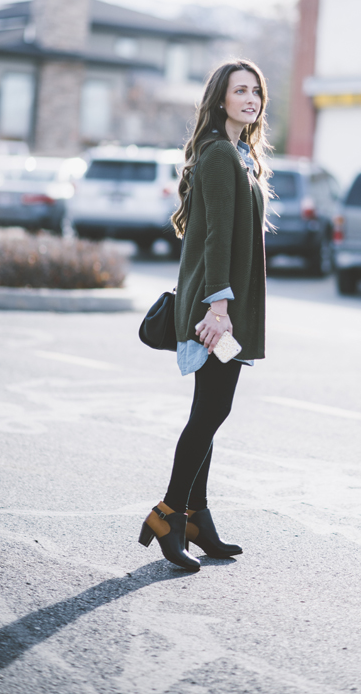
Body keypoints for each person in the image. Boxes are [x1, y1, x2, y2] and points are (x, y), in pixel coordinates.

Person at [138, 60, 270, 572]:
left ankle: (196, 516)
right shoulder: (218, 155)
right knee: (210, 413)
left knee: (211, 412)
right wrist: (220, 307)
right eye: (240, 90)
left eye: (256, 91)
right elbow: (216, 234)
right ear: (220, 100)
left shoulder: (239, 155)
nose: (251, 98)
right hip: (216, 310)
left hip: (225, 305)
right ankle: (169, 513)